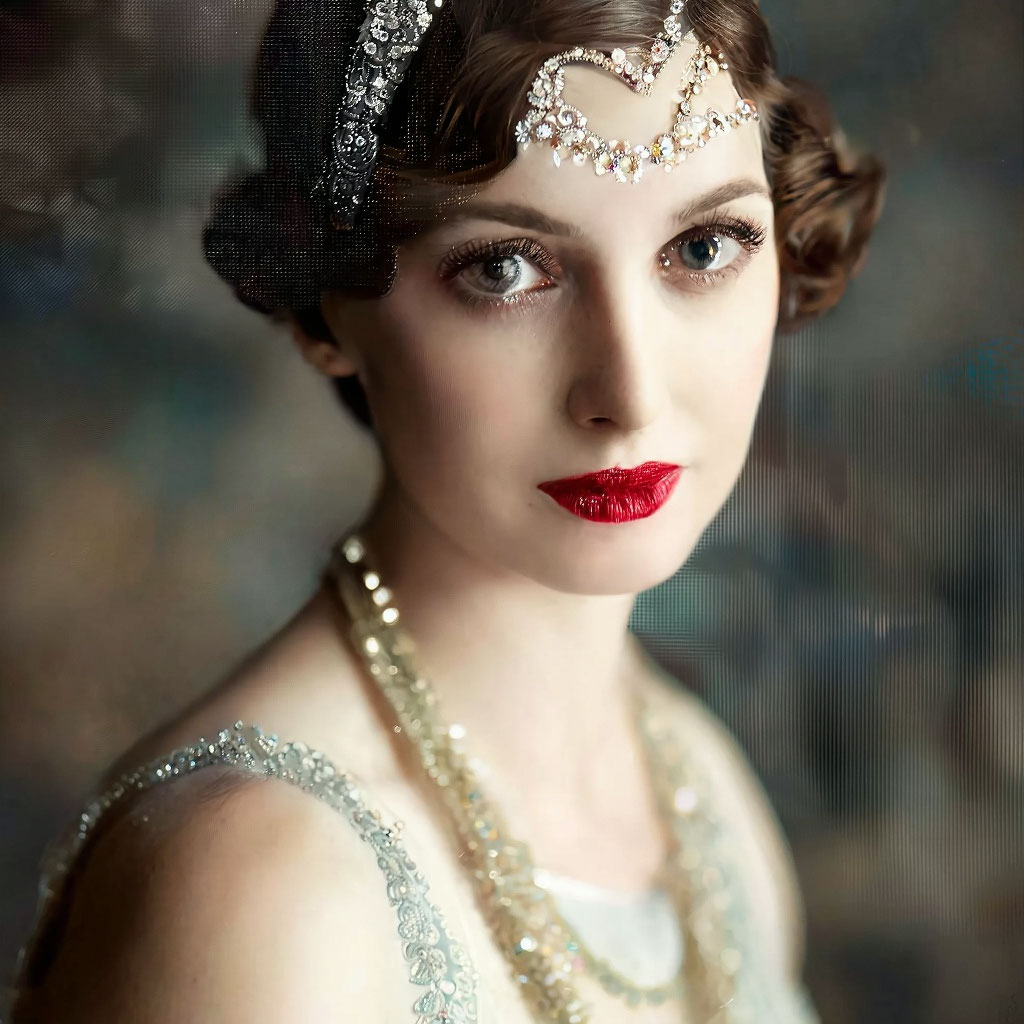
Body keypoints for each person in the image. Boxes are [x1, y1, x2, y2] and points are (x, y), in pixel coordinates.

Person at [10, 0, 884, 1021]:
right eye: (503, 268)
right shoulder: (263, 886)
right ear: (327, 304)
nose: (630, 392)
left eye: (702, 248)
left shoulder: (699, 786)